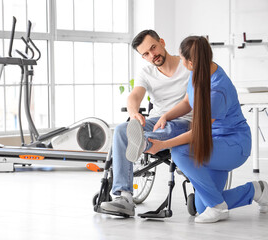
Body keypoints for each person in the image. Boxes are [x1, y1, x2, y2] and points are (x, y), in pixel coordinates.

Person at [128, 35, 268, 223]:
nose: (181, 63)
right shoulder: (199, 71)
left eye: (183, 60)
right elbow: (187, 102)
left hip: (233, 145)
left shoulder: (217, 90)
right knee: (203, 207)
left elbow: (198, 133)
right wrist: (165, 116)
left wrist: (163, 145)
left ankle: (218, 207)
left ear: (192, 62)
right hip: (215, 141)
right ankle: (258, 190)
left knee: (180, 152)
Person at [100, 30, 192, 217]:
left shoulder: (187, 66)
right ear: (142, 57)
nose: (152, 55)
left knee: (168, 128)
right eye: (146, 54)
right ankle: (124, 197)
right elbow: (135, 96)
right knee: (121, 130)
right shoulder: (147, 72)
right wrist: (134, 114)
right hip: (156, 120)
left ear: (162, 42)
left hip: (182, 121)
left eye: (153, 48)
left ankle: (142, 142)